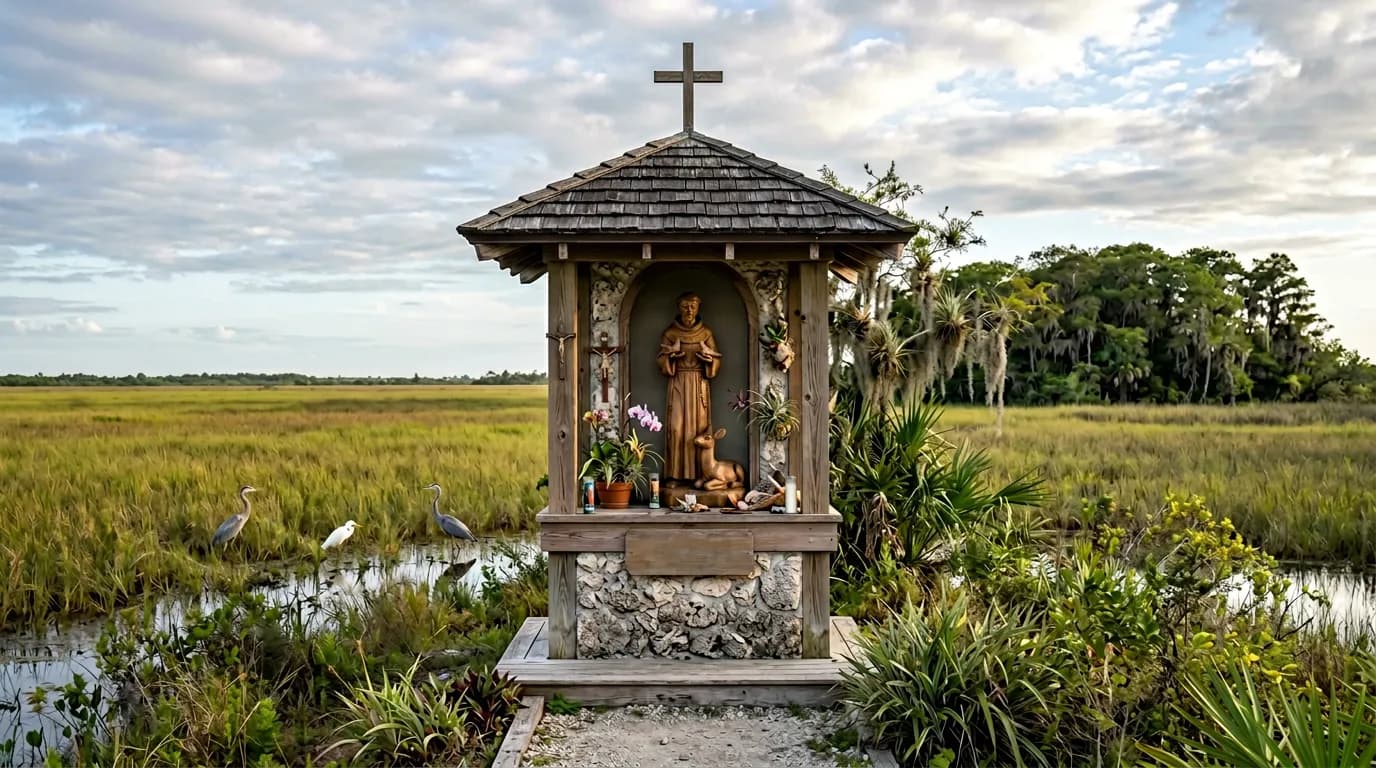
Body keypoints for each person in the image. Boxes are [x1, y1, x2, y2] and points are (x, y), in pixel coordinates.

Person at [656, 292, 721, 482]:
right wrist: (671, 358)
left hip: (699, 383)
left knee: (699, 430)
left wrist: (709, 360)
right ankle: (674, 475)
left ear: (698, 308)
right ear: (679, 308)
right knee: (676, 429)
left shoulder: (706, 333)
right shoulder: (670, 333)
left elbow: (716, 358)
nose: (689, 310)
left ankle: (700, 475)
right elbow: (661, 359)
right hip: (678, 382)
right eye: (685, 306)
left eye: (693, 306)